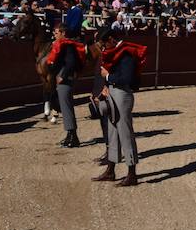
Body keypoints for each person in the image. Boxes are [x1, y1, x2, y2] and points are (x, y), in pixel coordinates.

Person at [93, 26, 146, 187]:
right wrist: (107, 85)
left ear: (111, 39)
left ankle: (132, 174)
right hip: (114, 94)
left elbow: (127, 78)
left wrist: (108, 76)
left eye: (104, 43)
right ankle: (111, 170)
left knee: (125, 133)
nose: (103, 48)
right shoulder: (119, 52)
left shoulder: (126, 53)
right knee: (113, 133)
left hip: (122, 96)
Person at [46, 26, 87, 147]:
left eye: (57, 32)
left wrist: (62, 76)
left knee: (66, 107)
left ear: (63, 33)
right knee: (65, 107)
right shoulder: (65, 45)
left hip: (64, 80)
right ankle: (71, 135)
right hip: (63, 78)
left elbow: (71, 63)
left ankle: (73, 137)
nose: (55, 34)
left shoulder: (67, 46)